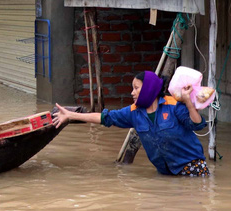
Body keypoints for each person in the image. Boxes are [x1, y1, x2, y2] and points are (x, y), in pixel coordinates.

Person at [53, 71, 209, 176]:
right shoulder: (134, 112)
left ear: (148, 89)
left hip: (193, 170)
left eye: (136, 88)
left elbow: (197, 124)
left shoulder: (174, 105)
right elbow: (104, 118)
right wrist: (71, 115)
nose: (132, 93)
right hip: (165, 174)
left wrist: (188, 101)